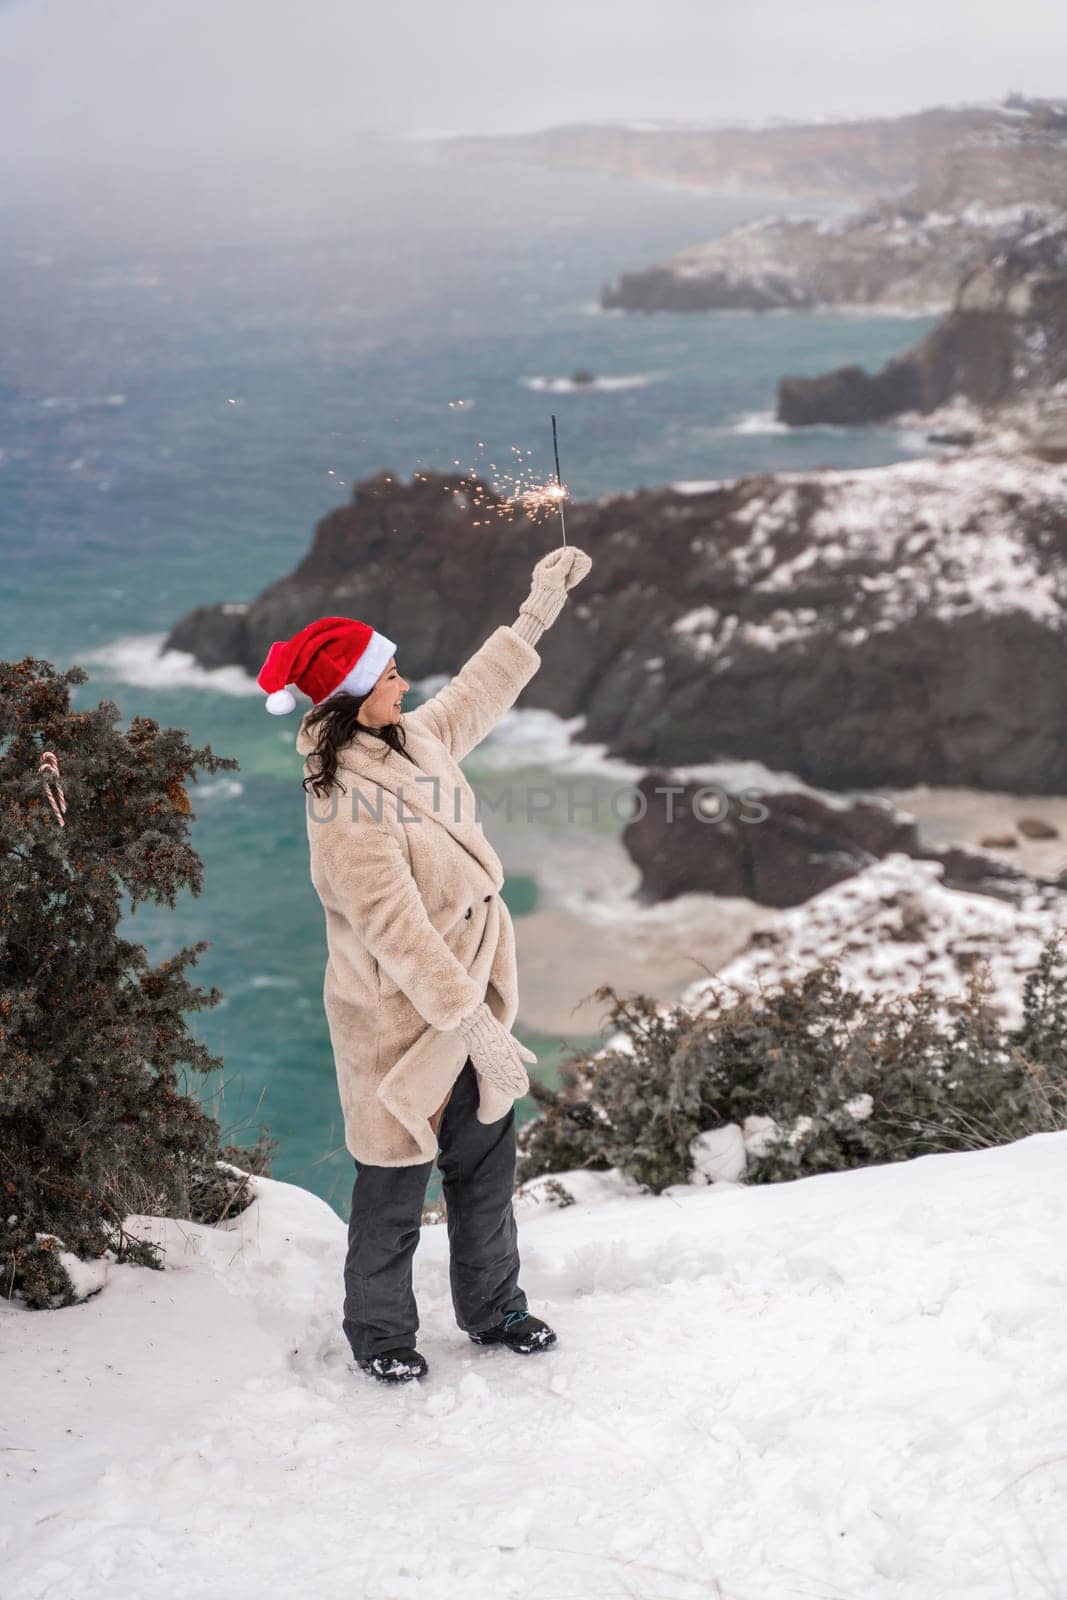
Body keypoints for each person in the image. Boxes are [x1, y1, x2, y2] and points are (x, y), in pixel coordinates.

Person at [255, 545, 593, 1384]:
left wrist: (538, 606)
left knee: (483, 1174)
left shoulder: (414, 740)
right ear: (351, 697)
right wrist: (473, 1021)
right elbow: (395, 930)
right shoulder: (341, 801)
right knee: (393, 1191)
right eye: (391, 675)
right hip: (399, 1019)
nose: (405, 685)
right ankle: (380, 1336)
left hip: (470, 990)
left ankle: (495, 1310)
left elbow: (481, 690)